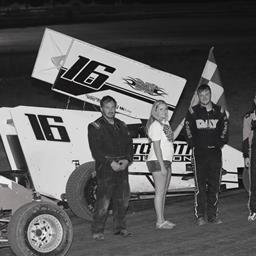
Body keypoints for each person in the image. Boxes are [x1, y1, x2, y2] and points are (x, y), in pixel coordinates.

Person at [87, 95, 133, 240]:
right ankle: (97, 231)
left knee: (123, 201)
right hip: (106, 168)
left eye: (113, 107)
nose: (110, 110)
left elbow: (129, 146)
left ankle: (120, 228)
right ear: (101, 109)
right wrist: (110, 163)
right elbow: (96, 150)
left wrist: (127, 160)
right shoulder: (95, 126)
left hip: (122, 167)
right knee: (103, 202)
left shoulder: (122, 125)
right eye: (107, 107)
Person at [184, 84, 228, 226]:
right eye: (201, 95)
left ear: (210, 94)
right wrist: (194, 143)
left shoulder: (220, 111)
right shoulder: (192, 112)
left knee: (215, 185)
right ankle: (200, 216)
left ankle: (213, 215)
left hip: (215, 153)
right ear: (198, 96)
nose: (204, 97)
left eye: (206, 94)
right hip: (199, 153)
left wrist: (219, 142)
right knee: (200, 186)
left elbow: (225, 128)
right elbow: (188, 129)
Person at [146, 100, 184, 229]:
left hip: (166, 161)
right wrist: (162, 166)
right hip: (158, 162)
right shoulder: (156, 125)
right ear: (155, 111)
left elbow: (172, 138)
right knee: (160, 192)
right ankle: (159, 222)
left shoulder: (165, 123)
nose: (164, 111)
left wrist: (181, 124)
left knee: (163, 192)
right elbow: (156, 147)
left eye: (166, 109)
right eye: (161, 109)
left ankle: (162, 219)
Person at [242, 90, 256, 221]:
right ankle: (253, 210)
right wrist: (246, 156)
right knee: (253, 182)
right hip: (253, 153)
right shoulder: (248, 117)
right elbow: (245, 138)